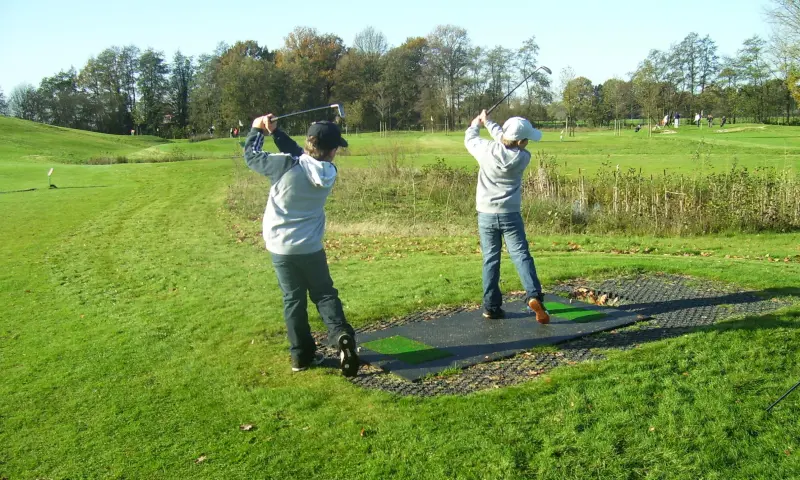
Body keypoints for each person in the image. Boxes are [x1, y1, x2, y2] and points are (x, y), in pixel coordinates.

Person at [243, 114, 359, 376]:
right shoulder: (329, 171)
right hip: (311, 247)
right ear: (331, 151)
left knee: (293, 300)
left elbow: (251, 155)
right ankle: (341, 334)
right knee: (325, 294)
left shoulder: (285, 165)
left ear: (309, 142)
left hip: (281, 248)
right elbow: (303, 158)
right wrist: (277, 133)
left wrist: (256, 129)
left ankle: (301, 357)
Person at [464, 110, 550, 324]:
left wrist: (477, 124)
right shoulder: (523, 157)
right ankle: (533, 296)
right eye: (526, 139)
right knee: (521, 255)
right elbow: (503, 139)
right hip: (510, 214)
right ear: (521, 141)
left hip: (486, 214)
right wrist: (489, 122)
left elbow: (471, 139)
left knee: (490, 260)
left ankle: (492, 307)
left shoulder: (486, 150)